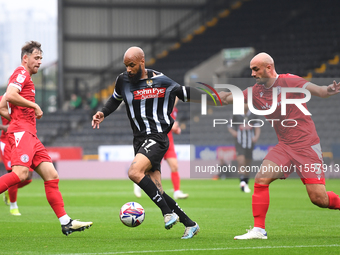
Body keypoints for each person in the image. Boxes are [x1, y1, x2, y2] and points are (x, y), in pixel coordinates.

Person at [219, 52, 340, 239]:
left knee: (319, 199)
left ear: (269, 67)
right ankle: (259, 230)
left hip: (307, 146)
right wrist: (190, 95)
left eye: (255, 69)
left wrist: (329, 90)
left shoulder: (290, 81)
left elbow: (321, 91)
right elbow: (226, 98)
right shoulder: (255, 92)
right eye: (251, 70)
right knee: (261, 178)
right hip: (285, 146)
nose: (252, 73)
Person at [92, 46, 205, 239]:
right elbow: (114, 100)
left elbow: (184, 92)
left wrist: (218, 97)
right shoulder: (122, 81)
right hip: (139, 139)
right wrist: (103, 112)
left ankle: (166, 213)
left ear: (142, 62)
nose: (128, 69)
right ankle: (190, 224)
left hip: (157, 137)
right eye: (126, 65)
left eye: (132, 65)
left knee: (134, 172)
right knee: (158, 190)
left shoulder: (162, 81)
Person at [0, 41, 92, 235]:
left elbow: (2, 106)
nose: (40, 62)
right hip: (22, 133)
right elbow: (9, 94)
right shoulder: (21, 72)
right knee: (21, 174)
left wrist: (15, 117)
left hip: (31, 135)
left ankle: (66, 222)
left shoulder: (27, 79)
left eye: (41, 58)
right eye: (36, 58)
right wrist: (33, 107)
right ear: (25, 58)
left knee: (51, 175)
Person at [133, 104, 189, 200]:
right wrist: (171, 125)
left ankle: (177, 191)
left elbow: (172, 126)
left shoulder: (174, 110)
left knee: (174, 166)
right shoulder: (160, 105)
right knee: (150, 168)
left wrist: (176, 129)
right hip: (158, 141)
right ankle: (138, 182)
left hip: (169, 143)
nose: (177, 98)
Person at [0, 95, 33, 216]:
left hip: (22, 138)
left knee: (28, 177)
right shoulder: (3, 99)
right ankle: (13, 206)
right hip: (7, 141)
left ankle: (8, 189)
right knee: (13, 174)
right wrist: (3, 127)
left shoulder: (25, 99)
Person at [227, 104, 261, 193]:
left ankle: (245, 182)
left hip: (250, 142)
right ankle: (242, 181)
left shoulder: (253, 114)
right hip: (239, 142)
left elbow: (257, 127)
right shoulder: (236, 114)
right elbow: (229, 125)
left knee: (247, 163)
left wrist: (256, 137)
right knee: (241, 161)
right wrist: (234, 132)